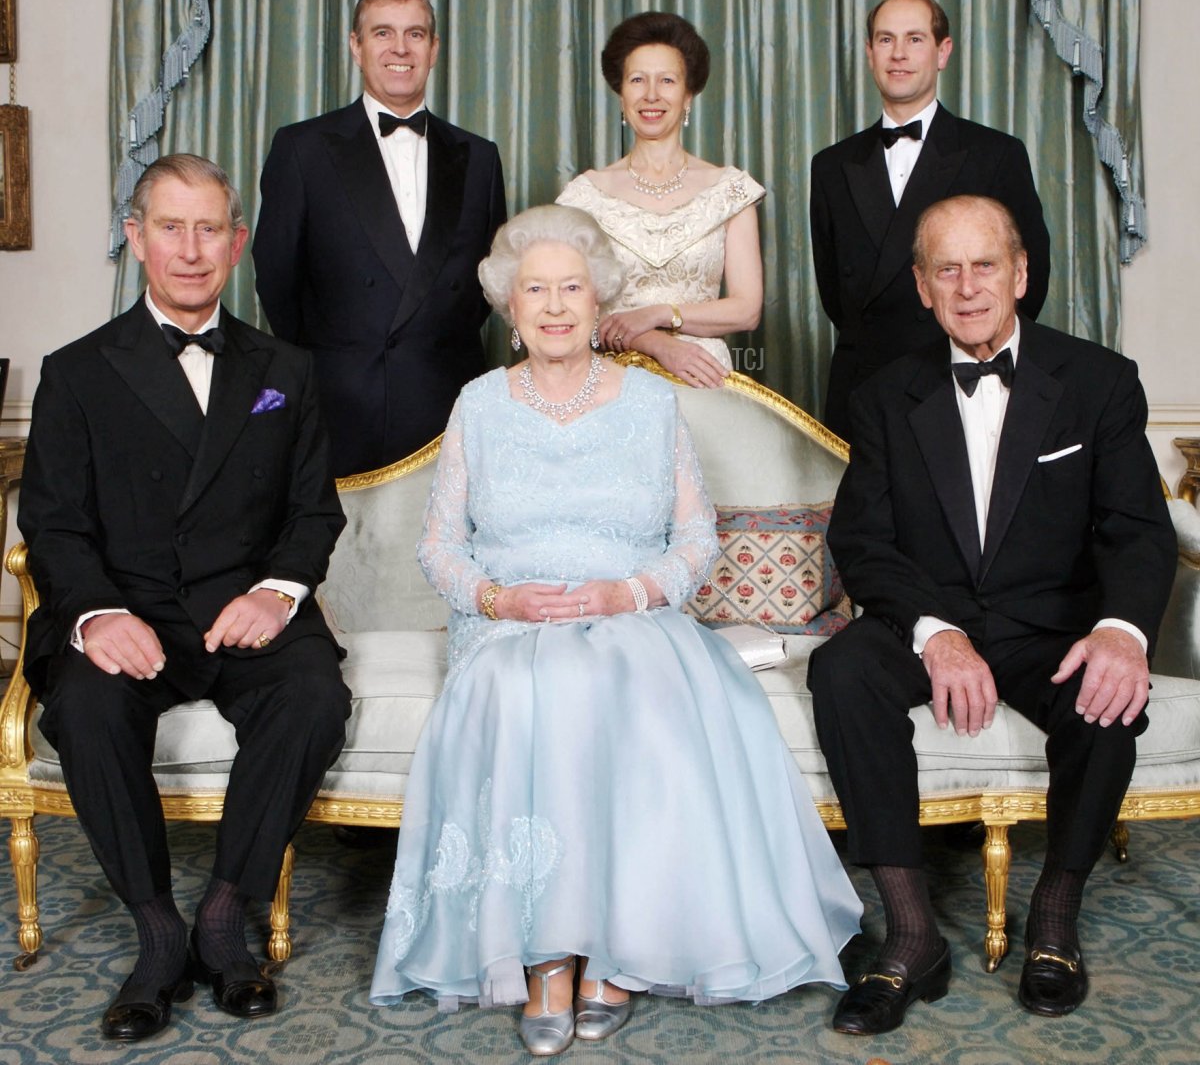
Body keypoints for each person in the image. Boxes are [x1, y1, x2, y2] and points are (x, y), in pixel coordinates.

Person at [370, 205, 860, 1055]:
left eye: (573, 288)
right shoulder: (479, 404)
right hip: (510, 623)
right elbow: (439, 546)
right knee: (534, 688)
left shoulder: (649, 401)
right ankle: (548, 956)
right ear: (508, 306)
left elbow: (696, 541)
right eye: (536, 290)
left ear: (600, 302)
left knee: (623, 687)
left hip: (629, 612)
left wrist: (625, 592)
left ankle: (617, 950)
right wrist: (499, 601)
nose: (556, 306)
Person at [807, 195, 1176, 1034]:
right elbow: (862, 540)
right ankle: (909, 933)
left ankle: (1054, 919)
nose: (968, 287)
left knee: (1110, 696)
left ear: (1021, 273)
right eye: (947, 269)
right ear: (922, 286)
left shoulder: (1099, 381)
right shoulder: (883, 394)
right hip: (936, 616)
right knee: (843, 668)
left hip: (1053, 624)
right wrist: (935, 634)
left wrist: (1121, 630)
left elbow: (1136, 529)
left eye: (984, 266)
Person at [18, 154, 351, 1041]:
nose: (192, 250)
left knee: (316, 694)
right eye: (172, 228)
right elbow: (51, 524)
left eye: (211, 229)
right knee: (85, 706)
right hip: (128, 610)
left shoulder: (288, 367)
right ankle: (159, 928)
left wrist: (279, 593)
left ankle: (223, 909)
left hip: (244, 605)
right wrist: (93, 612)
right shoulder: (77, 370)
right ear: (137, 238)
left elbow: (314, 512)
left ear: (237, 244)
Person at [254, 0, 507, 477]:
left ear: (434, 50)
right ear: (356, 45)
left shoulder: (480, 157)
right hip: (343, 403)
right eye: (382, 33)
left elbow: (489, 284)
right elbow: (276, 278)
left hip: (450, 399)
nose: (400, 49)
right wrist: (341, 361)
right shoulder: (303, 148)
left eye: (415, 34)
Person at [810, 0, 1051, 440]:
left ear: (943, 52)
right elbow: (834, 295)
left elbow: (1027, 280)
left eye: (915, 39)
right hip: (865, 389)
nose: (898, 53)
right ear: (869, 53)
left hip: (962, 377)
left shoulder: (995, 154)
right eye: (885, 40)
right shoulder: (830, 165)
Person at [557, 11, 763, 389]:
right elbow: (568, 310)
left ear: (689, 94)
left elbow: (747, 310)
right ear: (621, 94)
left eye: (667, 80)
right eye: (638, 80)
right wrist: (651, 342)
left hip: (702, 377)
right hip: (612, 383)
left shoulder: (730, 191)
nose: (651, 95)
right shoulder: (583, 197)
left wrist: (659, 314)